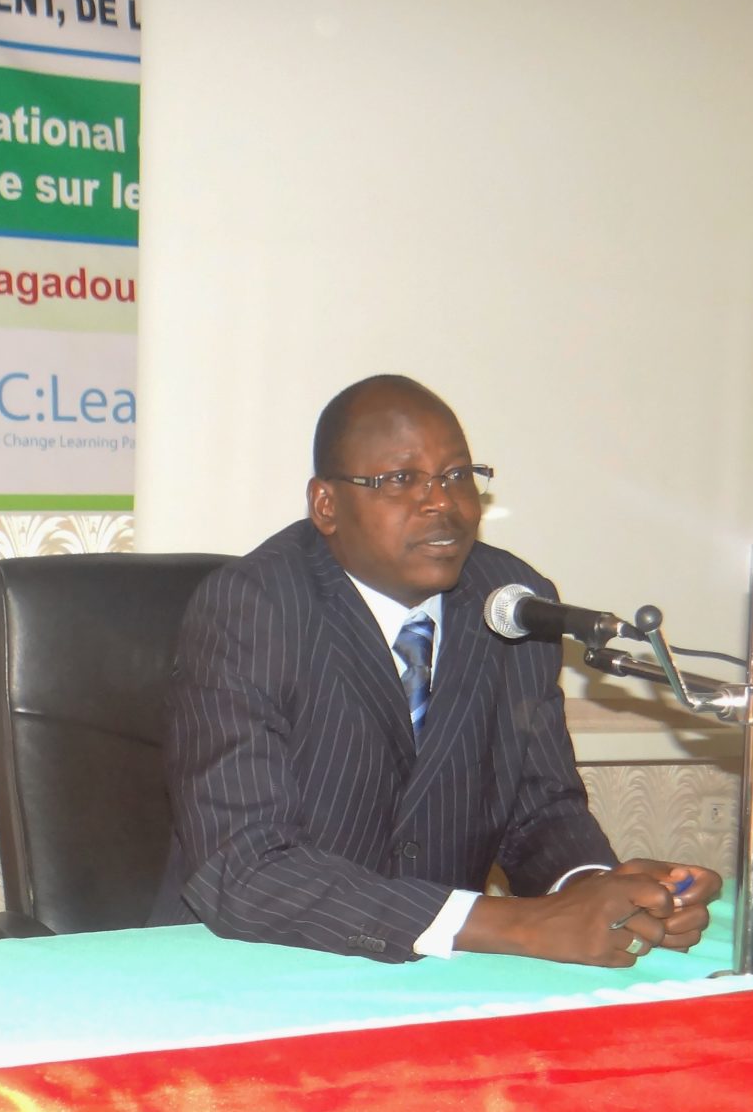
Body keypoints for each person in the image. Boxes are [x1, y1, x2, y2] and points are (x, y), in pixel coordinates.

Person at [157, 374, 721, 964]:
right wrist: (516, 926)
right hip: (252, 964)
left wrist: (599, 892)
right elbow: (244, 867)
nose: (442, 503)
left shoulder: (511, 601)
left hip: (441, 976)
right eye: (402, 480)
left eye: (458, 476)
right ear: (326, 505)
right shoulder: (253, 609)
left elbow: (540, 808)